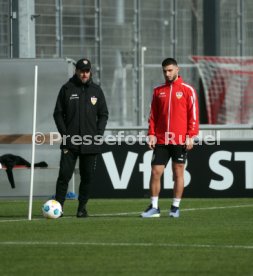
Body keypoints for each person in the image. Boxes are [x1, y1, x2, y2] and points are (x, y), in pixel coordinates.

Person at [141, 58, 199, 218]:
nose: (167, 73)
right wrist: (151, 134)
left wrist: (191, 136)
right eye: (165, 71)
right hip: (161, 139)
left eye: (170, 70)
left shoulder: (188, 90)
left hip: (179, 139)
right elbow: (153, 115)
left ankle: (175, 207)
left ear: (177, 69)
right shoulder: (158, 91)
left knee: (178, 172)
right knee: (155, 171)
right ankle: (154, 207)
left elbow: (193, 115)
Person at [53, 58, 109, 218]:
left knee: (87, 177)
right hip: (70, 143)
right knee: (64, 176)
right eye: (81, 70)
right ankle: (58, 207)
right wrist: (65, 135)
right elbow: (57, 114)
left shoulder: (96, 91)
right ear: (76, 71)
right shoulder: (67, 89)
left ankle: (82, 208)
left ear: (90, 72)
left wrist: (98, 135)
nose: (84, 74)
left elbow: (103, 114)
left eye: (87, 71)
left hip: (90, 143)